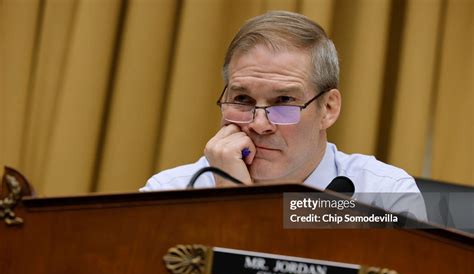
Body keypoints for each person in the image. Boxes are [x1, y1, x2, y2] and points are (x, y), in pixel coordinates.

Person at [140, 11, 427, 221]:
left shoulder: (382, 195)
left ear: (328, 109)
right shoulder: (170, 192)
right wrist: (229, 198)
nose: (259, 124)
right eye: (242, 99)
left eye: (284, 101)